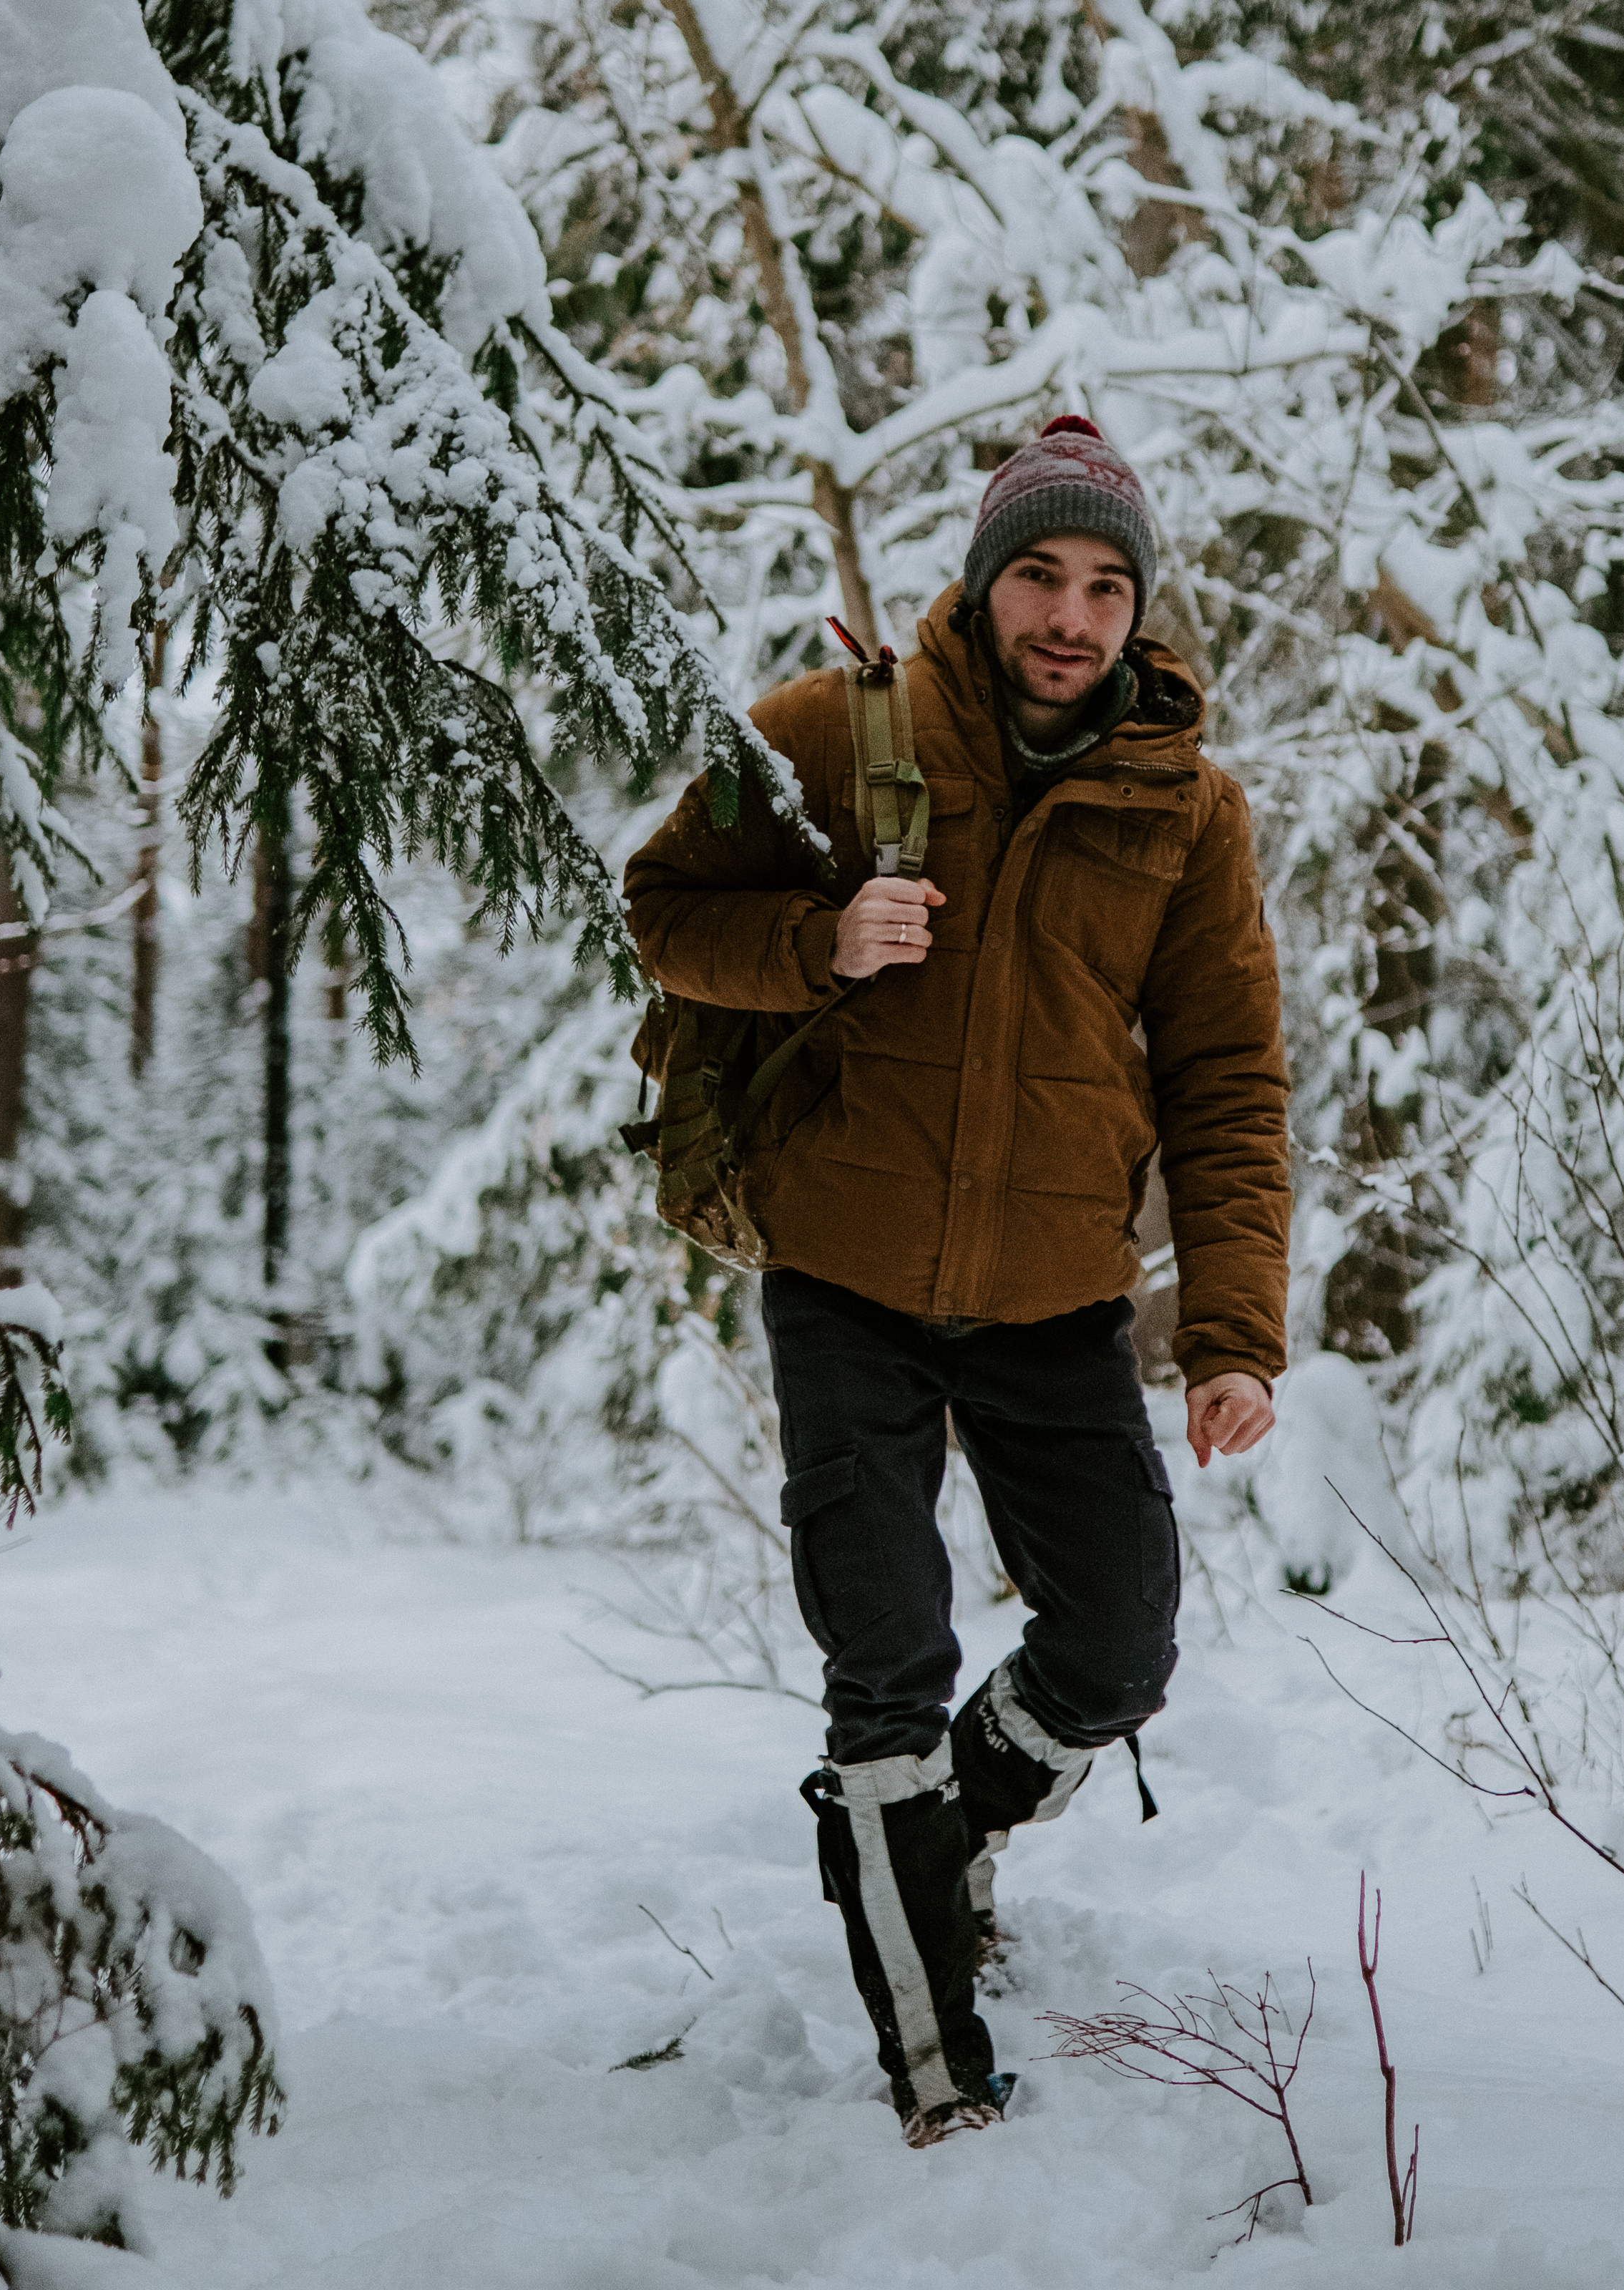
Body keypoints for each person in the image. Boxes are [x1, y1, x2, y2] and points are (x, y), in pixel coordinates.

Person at [623, 416, 1289, 2148]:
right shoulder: (831, 736)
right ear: (985, 581)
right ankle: (936, 2073)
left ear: (1137, 610)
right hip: (841, 1271)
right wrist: (811, 941)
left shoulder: (1184, 808)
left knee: (1119, 1642)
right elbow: (658, 902)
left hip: (1057, 1290)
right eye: (1038, 576)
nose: (1068, 614)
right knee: (885, 1661)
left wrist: (1229, 1336)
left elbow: (1225, 1082)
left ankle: (947, 1831)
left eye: (1102, 586)